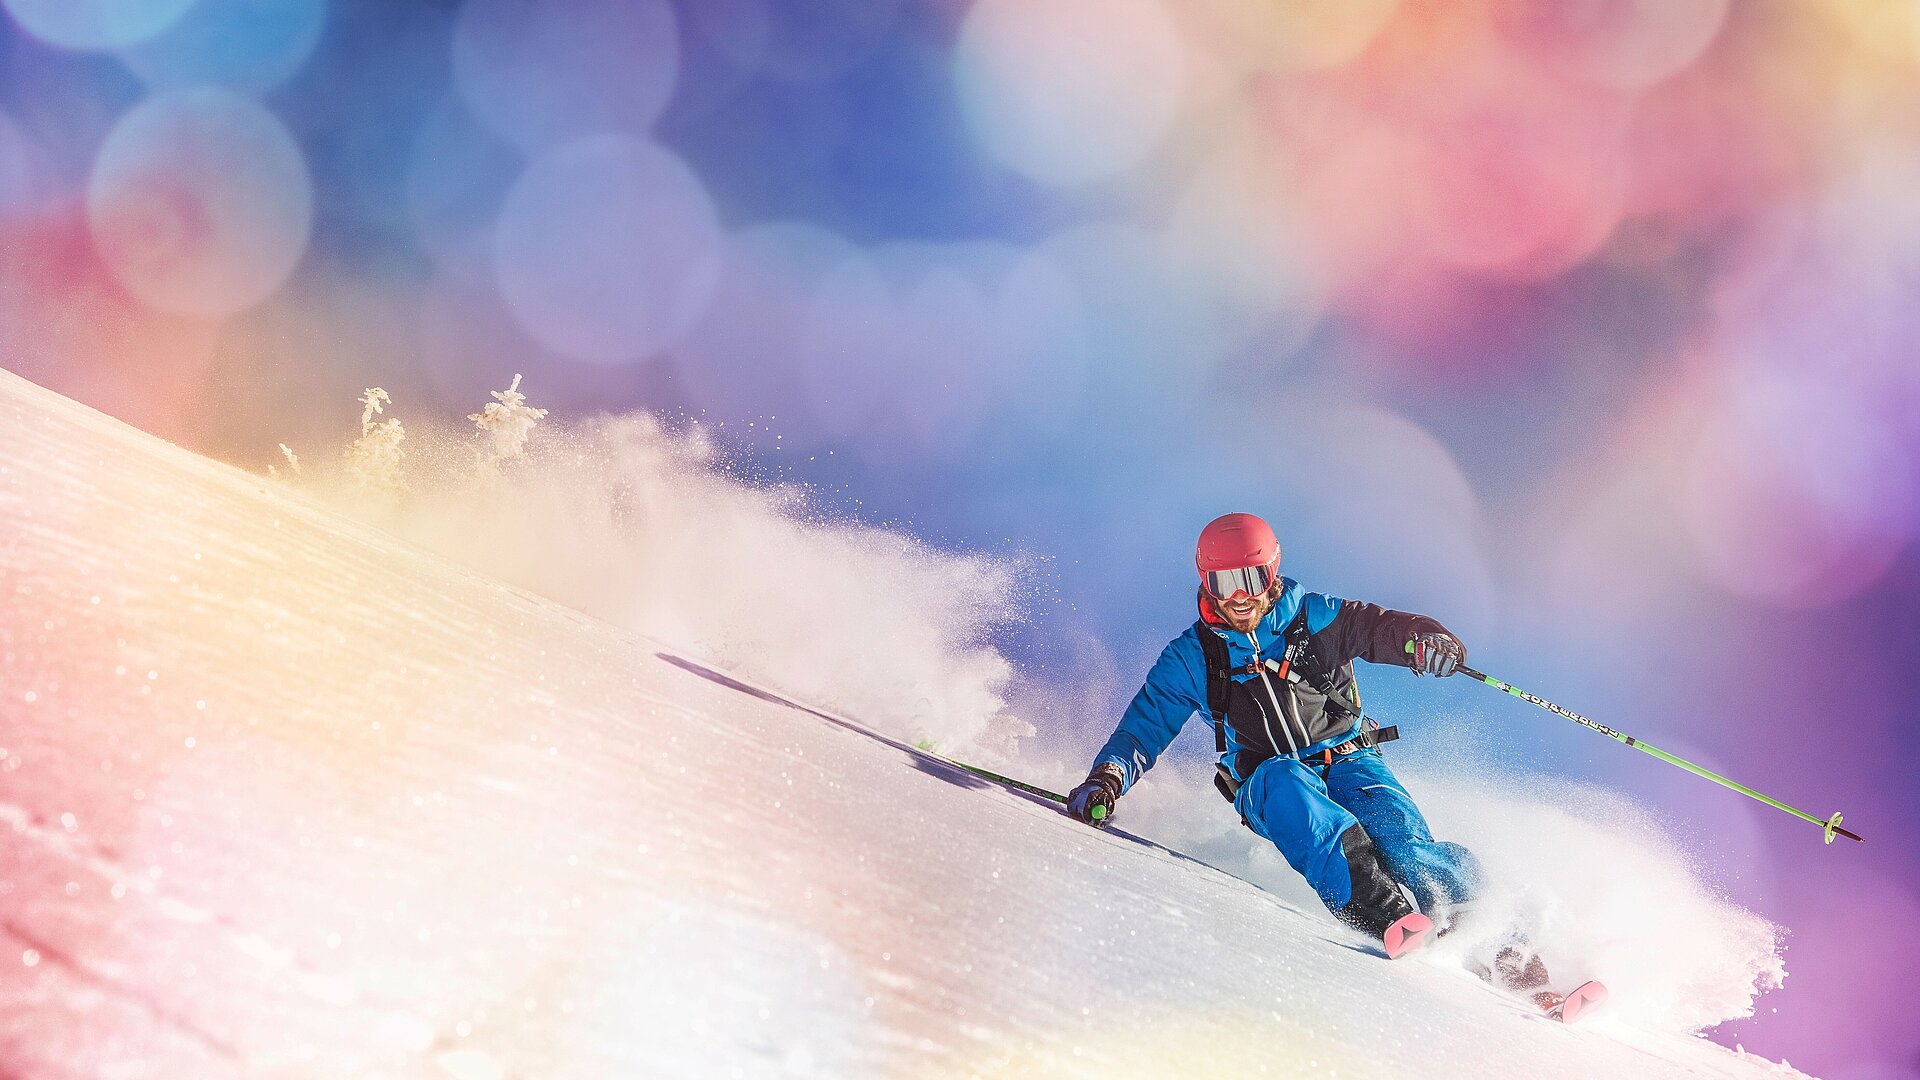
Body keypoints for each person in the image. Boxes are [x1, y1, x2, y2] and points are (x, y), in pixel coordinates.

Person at [1065, 512, 1481, 962]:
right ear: (1206, 581)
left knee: (1405, 849)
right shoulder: (1191, 658)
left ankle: (1491, 935)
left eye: (1251, 579)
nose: (1239, 597)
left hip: (1352, 759)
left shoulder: (1315, 618)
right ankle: (1389, 917)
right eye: (1224, 583)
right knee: (1291, 788)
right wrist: (1107, 778)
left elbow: (1378, 628)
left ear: (1272, 571)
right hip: (1266, 780)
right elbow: (1143, 728)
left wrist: (1424, 640)